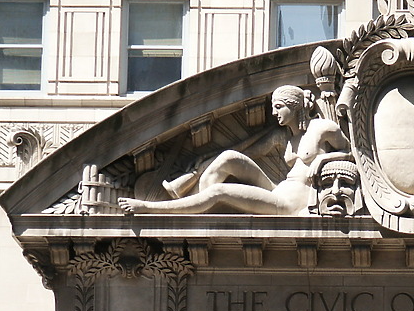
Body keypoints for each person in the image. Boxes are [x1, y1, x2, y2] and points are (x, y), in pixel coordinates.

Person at [118, 85, 349, 215]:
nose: (274, 113)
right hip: (277, 190)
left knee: (219, 191)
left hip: (289, 204)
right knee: (228, 157)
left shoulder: (322, 128)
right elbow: (245, 152)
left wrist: (322, 161)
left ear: (294, 105)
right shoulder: (284, 137)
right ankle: (199, 204)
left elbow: (351, 156)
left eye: (278, 107)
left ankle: (151, 208)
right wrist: (206, 161)